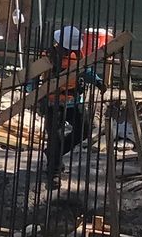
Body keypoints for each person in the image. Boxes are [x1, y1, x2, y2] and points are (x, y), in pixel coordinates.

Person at [31, 25, 105, 192]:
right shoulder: (48, 57)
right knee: (55, 135)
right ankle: (54, 173)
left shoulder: (77, 56)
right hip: (53, 102)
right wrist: (34, 96)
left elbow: (86, 70)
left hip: (73, 101)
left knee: (85, 129)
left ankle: (53, 152)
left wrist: (98, 81)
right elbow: (32, 77)